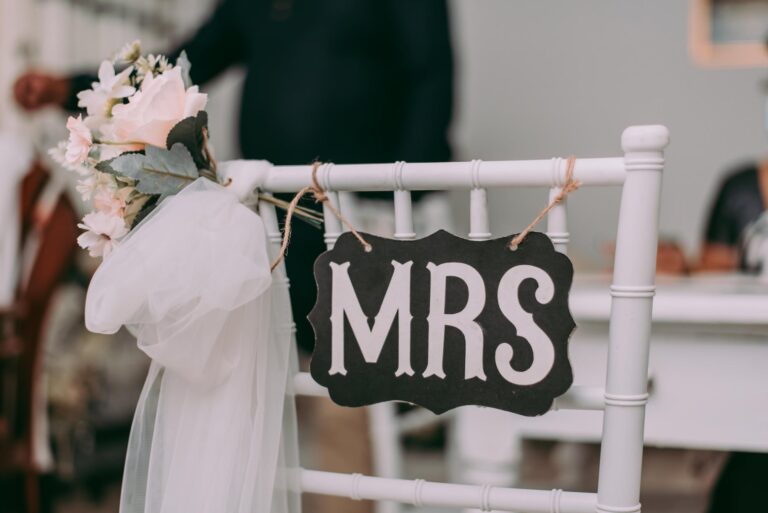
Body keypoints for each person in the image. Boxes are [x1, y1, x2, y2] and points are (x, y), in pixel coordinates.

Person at [14, 2, 454, 512]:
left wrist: (401, 199)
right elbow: (188, 61)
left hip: (363, 222)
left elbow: (432, 78)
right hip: (270, 217)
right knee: (252, 378)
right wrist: (72, 86)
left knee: (347, 383)